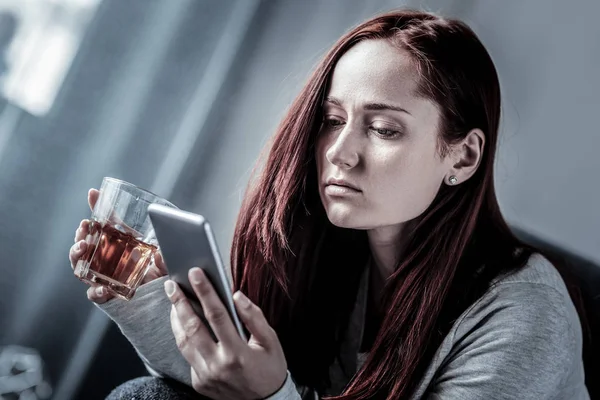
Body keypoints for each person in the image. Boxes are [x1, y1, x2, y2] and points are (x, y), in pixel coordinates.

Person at [69, 9, 589, 400]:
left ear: (463, 156)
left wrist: (271, 397)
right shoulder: (330, 255)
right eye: (333, 120)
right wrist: (141, 294)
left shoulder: (526, 312)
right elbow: (224, 380)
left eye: (384, 129)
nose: (340, 153)